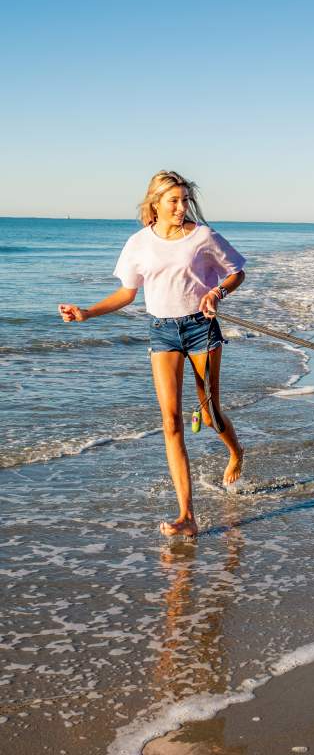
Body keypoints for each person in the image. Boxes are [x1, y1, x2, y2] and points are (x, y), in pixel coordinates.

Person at [58, 170, 246, 537]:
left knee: (209, 413)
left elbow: (236, 272)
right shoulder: (139, 243)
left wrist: (216, 293)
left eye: (184, 200)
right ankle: (187, 516)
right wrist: (87, 312)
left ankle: (236, 453)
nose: (180, 207)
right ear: (155, 203)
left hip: (200, 328)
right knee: (171, 421)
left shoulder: (203, 237)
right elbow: (127, 293)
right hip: (162, 332)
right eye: (173, 201)